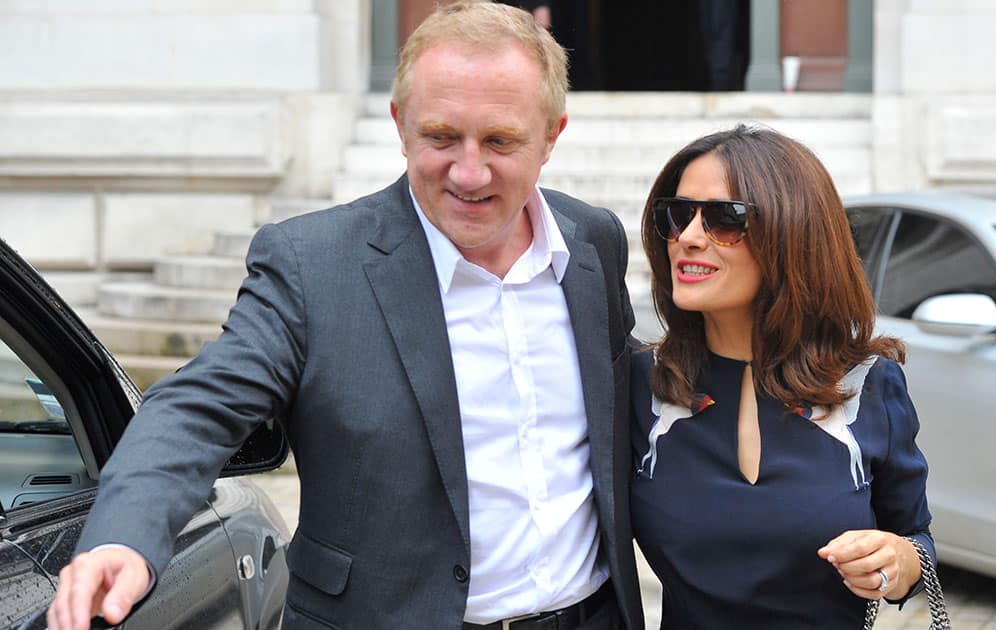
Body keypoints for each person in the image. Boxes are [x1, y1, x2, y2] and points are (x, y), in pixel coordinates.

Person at [46, 2, 643, 629]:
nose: (469, 172)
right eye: (440, 136)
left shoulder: (592, 241)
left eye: (500, 140)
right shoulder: (313, 265)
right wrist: (123, 537)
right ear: (400, 124)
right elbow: (197, 409)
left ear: (552, 135)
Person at [630, 125, 935, 628]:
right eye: (678, 214)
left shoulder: (867, 383)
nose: (687, 237)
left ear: (794, 234)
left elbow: (916, 539)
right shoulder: (644, 384)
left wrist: (899, 564)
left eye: (723, 219)